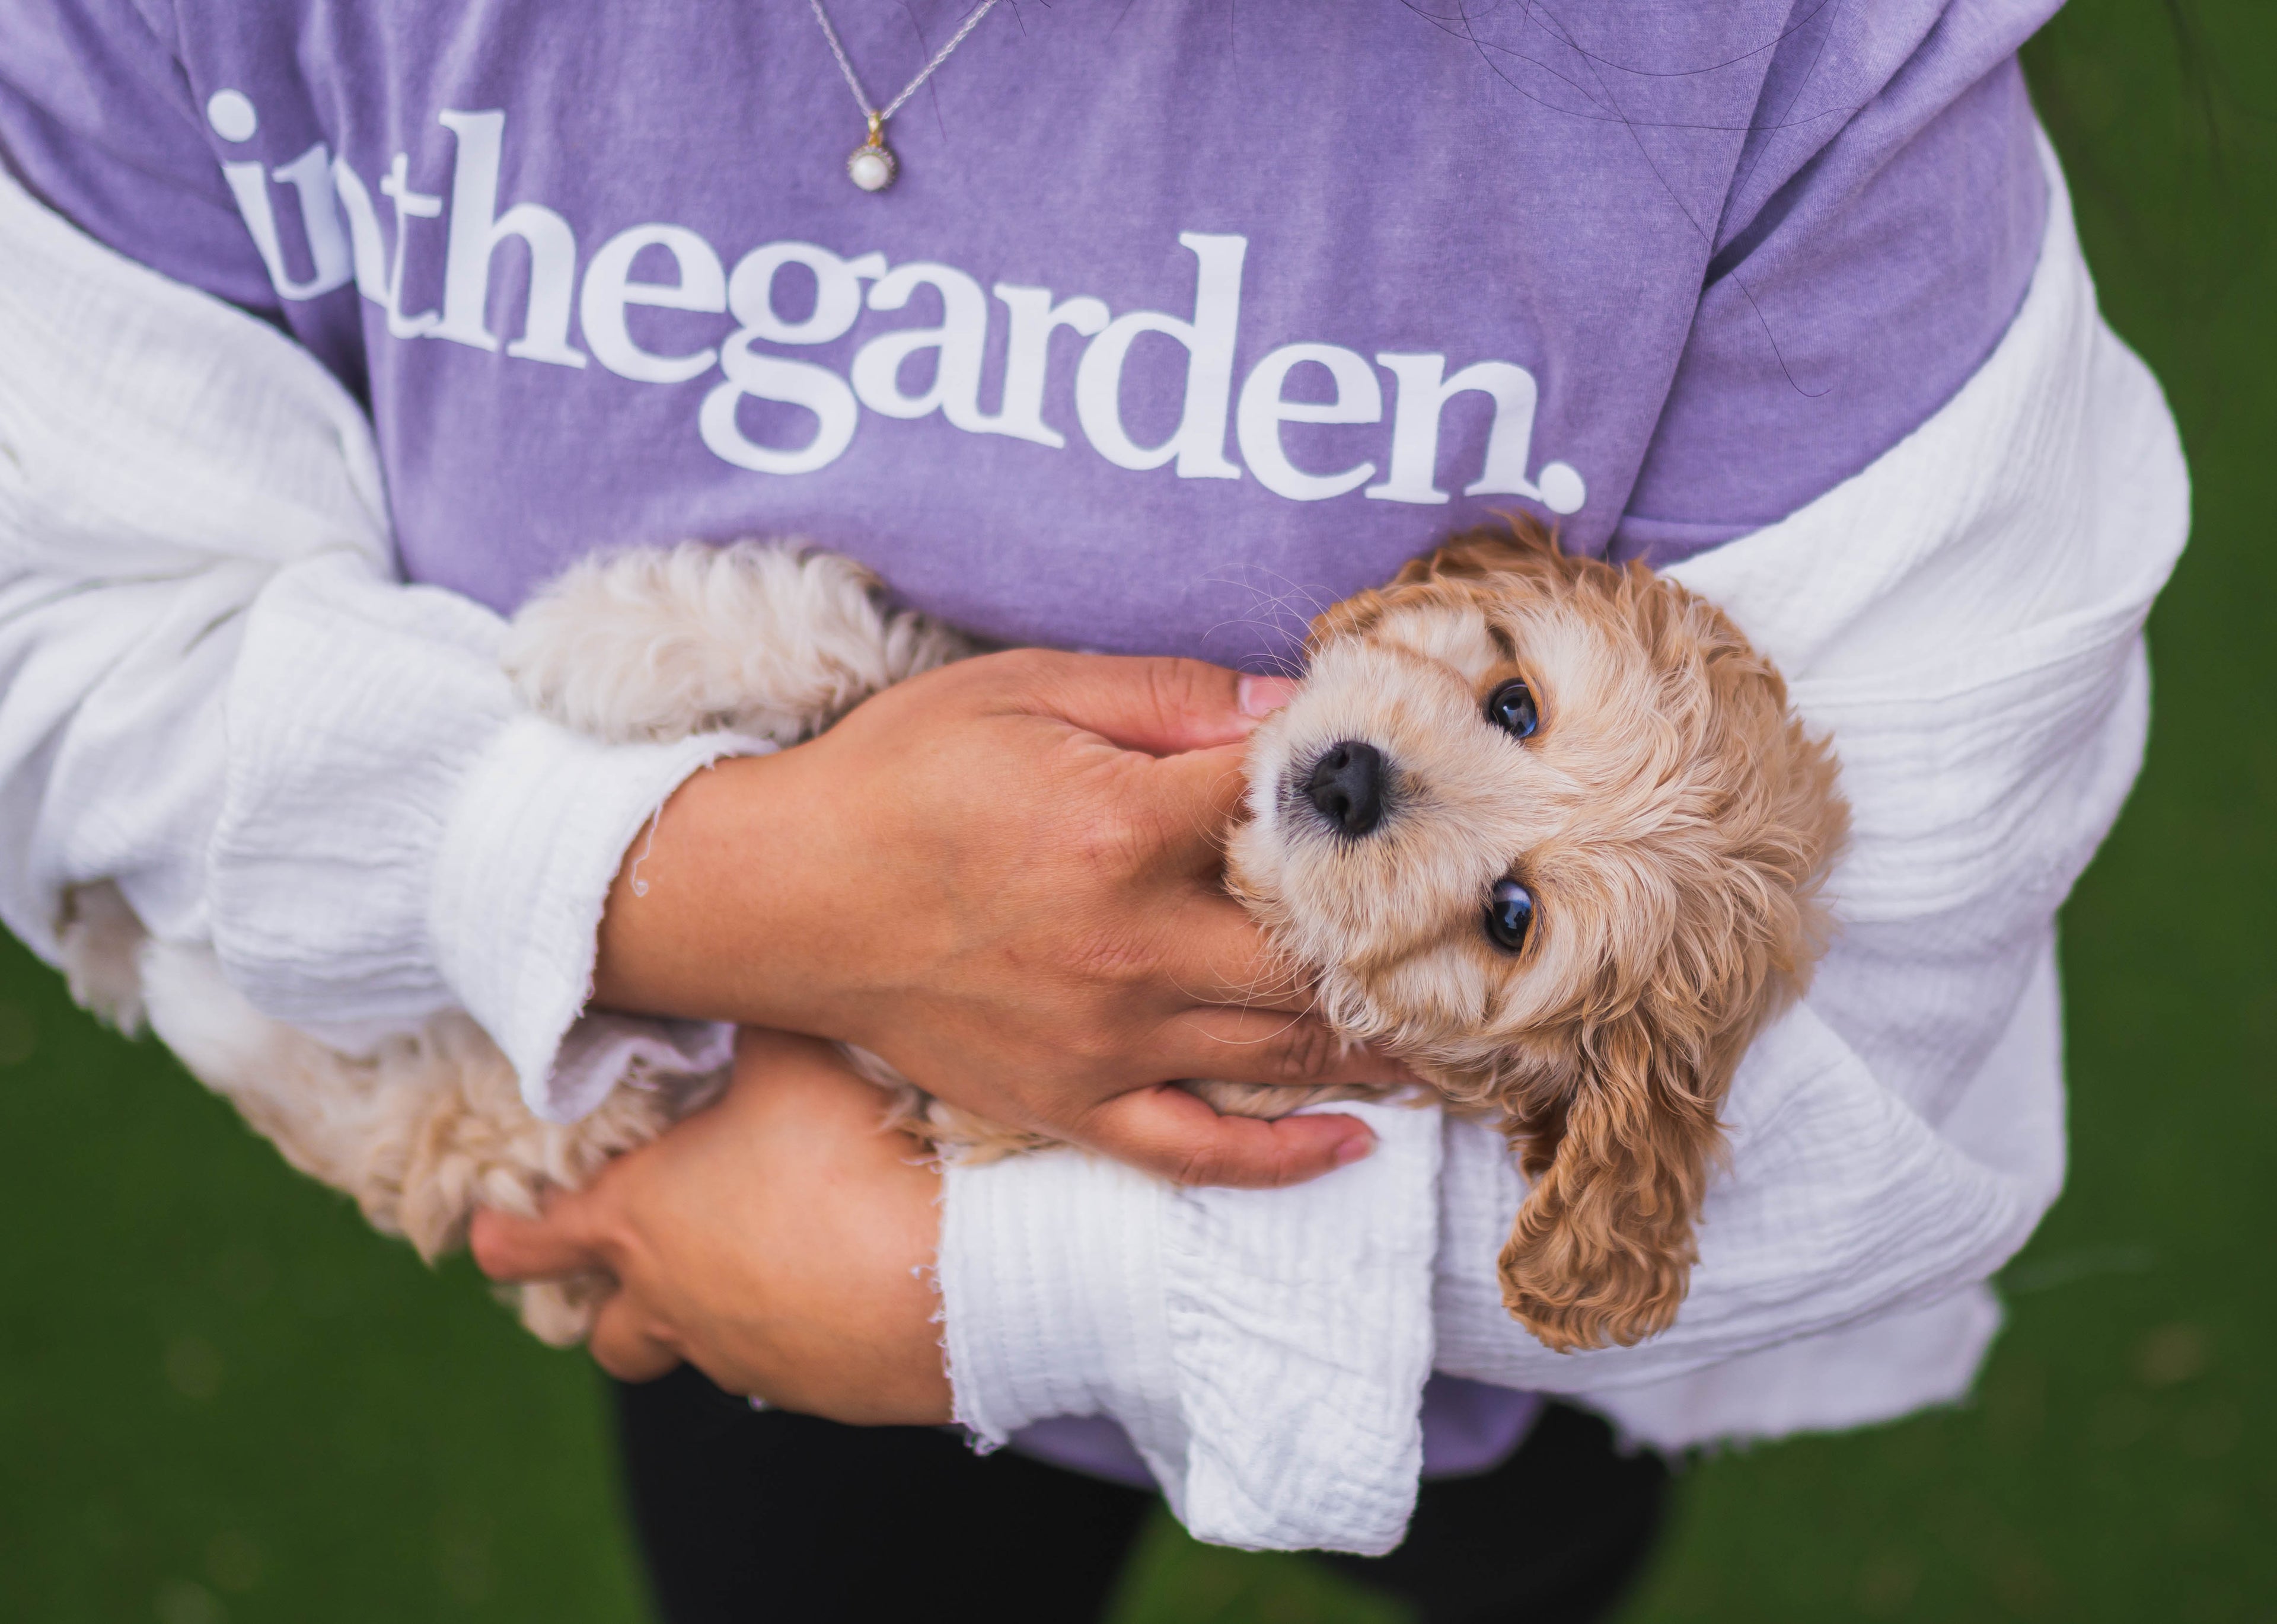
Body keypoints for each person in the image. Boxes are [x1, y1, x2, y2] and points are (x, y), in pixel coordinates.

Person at [0, 3, 2185, 1620]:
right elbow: (61, 644)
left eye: (1513, 915)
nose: (1395, 784)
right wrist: (699, 882)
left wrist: (985, 1279)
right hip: (738, 1206)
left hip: (1404, 1359)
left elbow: (1837, 1110)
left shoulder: (1800, 74)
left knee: (1520, 1532)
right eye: (1506, 696)